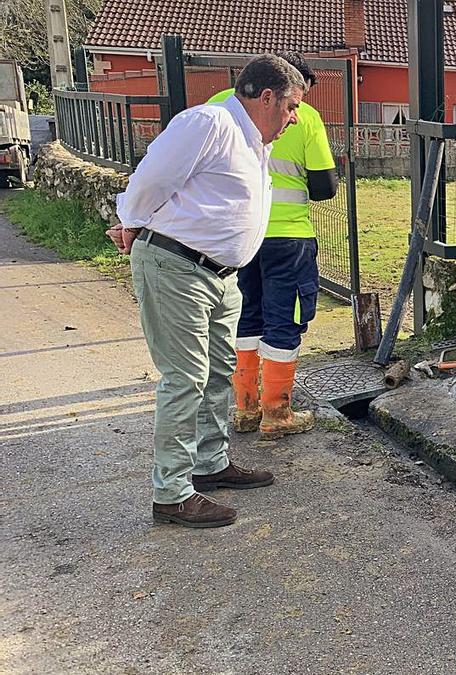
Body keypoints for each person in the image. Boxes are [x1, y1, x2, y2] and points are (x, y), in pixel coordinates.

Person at [106, 55, 306, 528]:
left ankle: (210, 464)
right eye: (292, 106)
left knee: (219, 374)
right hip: (179, 267)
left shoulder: (251, 140)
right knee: (185, 379)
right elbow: (151, 179)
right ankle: (172, 493)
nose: (294, 117)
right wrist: (133, 223)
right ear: (267, 97)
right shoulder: (210, 123)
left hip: (220, 275)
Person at [207, 53, 337, 438]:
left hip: (235, 237)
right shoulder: (307, 119)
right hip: (288, 238)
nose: (299, 105)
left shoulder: (217, 106)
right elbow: (324, 188)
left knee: (244, 318)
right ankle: (276, 415)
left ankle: (245, 409)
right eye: (298, 96)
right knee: (283, 322)